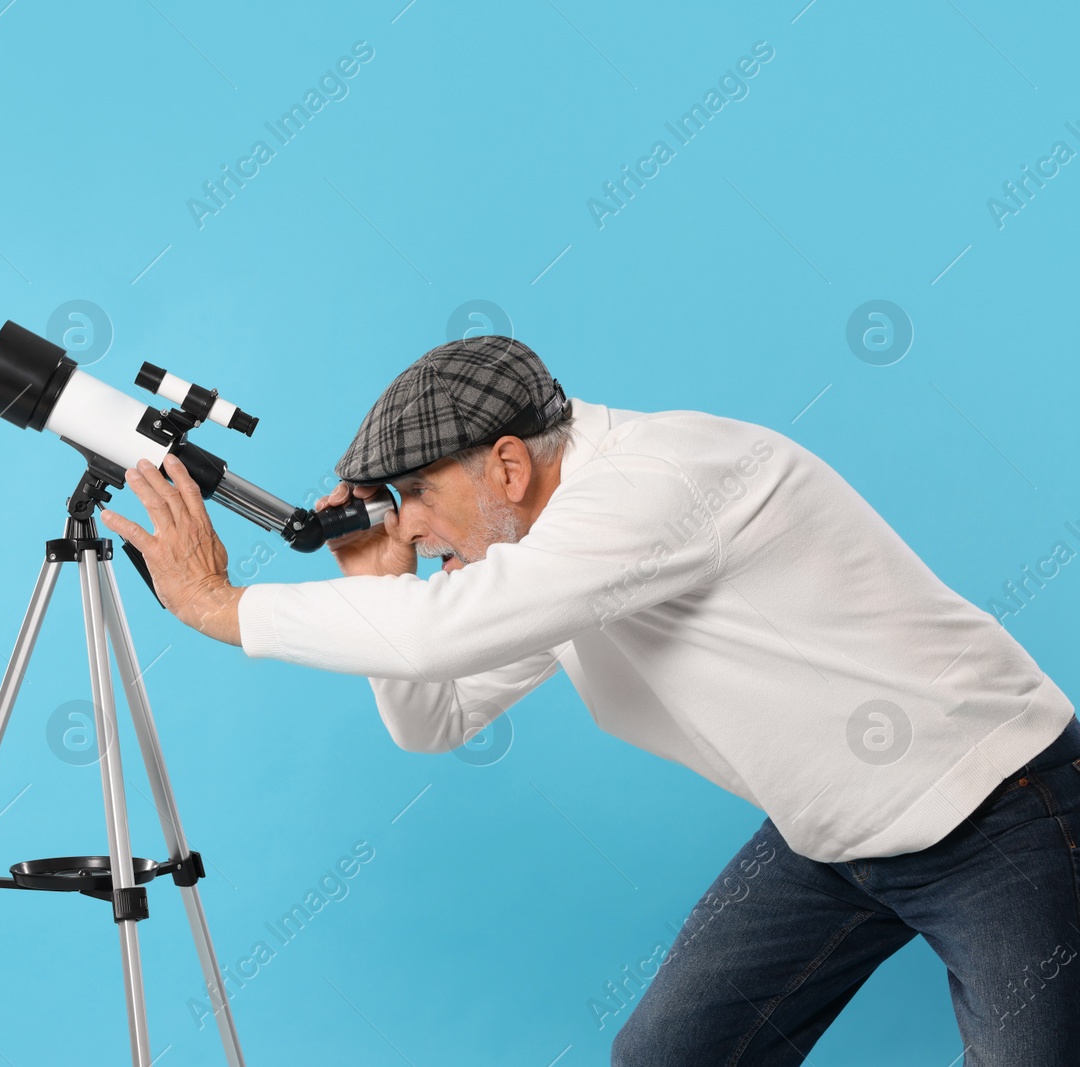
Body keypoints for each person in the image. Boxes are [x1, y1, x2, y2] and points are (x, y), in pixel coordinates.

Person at [97, 334, 1080, 1065]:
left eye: (422, 502)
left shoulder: (657, 482)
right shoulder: (546, 547)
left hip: (995, 806)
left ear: (508, 465)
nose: (421, 534)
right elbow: (432, 715)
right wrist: (374, 581)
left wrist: (218, 605)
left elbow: (448, 628)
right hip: (830, 834)